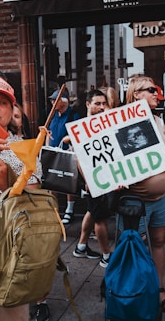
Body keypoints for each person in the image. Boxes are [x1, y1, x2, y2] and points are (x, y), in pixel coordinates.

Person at [125, 75, 165, 313]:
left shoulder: (157, 119)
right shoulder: (120, 123)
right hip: (137, 201)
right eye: (151, 90)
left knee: (158, 242)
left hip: (162, 197)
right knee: (134, 247)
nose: (157, 93)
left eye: (156, 90)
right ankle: (134, 291)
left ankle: (158, 287)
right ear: (136, 94)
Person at [0, 75, 42, 320]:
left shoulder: (25, 150)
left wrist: (5, 187)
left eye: (2, 102)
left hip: (10, 258)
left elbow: (35, 210)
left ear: (12, 110)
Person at [73, 89, 114, 268]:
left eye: (104, 104)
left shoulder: (103, 124)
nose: (101, 107)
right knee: (100, 218)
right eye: (97, 104)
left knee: (93, 210)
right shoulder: (82, 126)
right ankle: (106, 255)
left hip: (104, 176)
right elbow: (79, 158)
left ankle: (81, 246)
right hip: (93, 179)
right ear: (88, 105)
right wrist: (89, 180)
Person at [46, 87, 79, 225]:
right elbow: (47, 131)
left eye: (55, 100)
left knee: (67, 182)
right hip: (53, 152)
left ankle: (69, 211)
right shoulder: (52, 115)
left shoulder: (73, 115)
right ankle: (54, 211)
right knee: (52, 183)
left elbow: (77, 133)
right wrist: (47, 146)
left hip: (67, 153)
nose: (52, 102)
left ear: (63, 101)